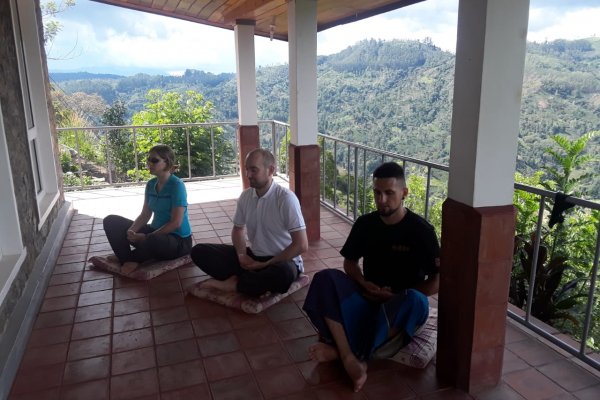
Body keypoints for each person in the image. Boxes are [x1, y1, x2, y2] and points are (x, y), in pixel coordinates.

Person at [302, 161, 440, 392]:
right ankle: (350, 356)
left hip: (400, 304)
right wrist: (362, 282)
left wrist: (396, 295)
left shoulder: (421, 231)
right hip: (367, 295)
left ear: (404, 193)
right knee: (325, 278)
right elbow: (350, 262)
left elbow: (437, 281)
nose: (382, 200)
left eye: (389, 193)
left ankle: (343, 352)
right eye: (377, 193)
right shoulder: (366, 224)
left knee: (416, 301)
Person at [191, 148, 308, 296]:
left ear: (270, 170)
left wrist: (265, 264)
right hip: (254, 256)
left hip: (283, 260)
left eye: (254, 170)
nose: (248, 175)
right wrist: (241, 255)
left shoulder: (285, 199)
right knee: (199, 251)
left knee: (282, 275)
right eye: (246, 170)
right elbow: (238, 229)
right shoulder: (246, 196)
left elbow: (301, 245)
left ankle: (236, 285)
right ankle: (251, 281)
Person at [103, 144, 192, 273]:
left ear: (167, 162)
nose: (149, 163)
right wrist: (132, 230)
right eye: (148, 160)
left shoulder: (177, 185)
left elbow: (176, 223)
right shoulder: (151, 185)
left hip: (178, 241)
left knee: (154, 240)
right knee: (111, 221)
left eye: (154, 160)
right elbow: (145, 214)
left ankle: (130, 258)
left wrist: (146, 238)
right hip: (154, 232)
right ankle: (129, 258)